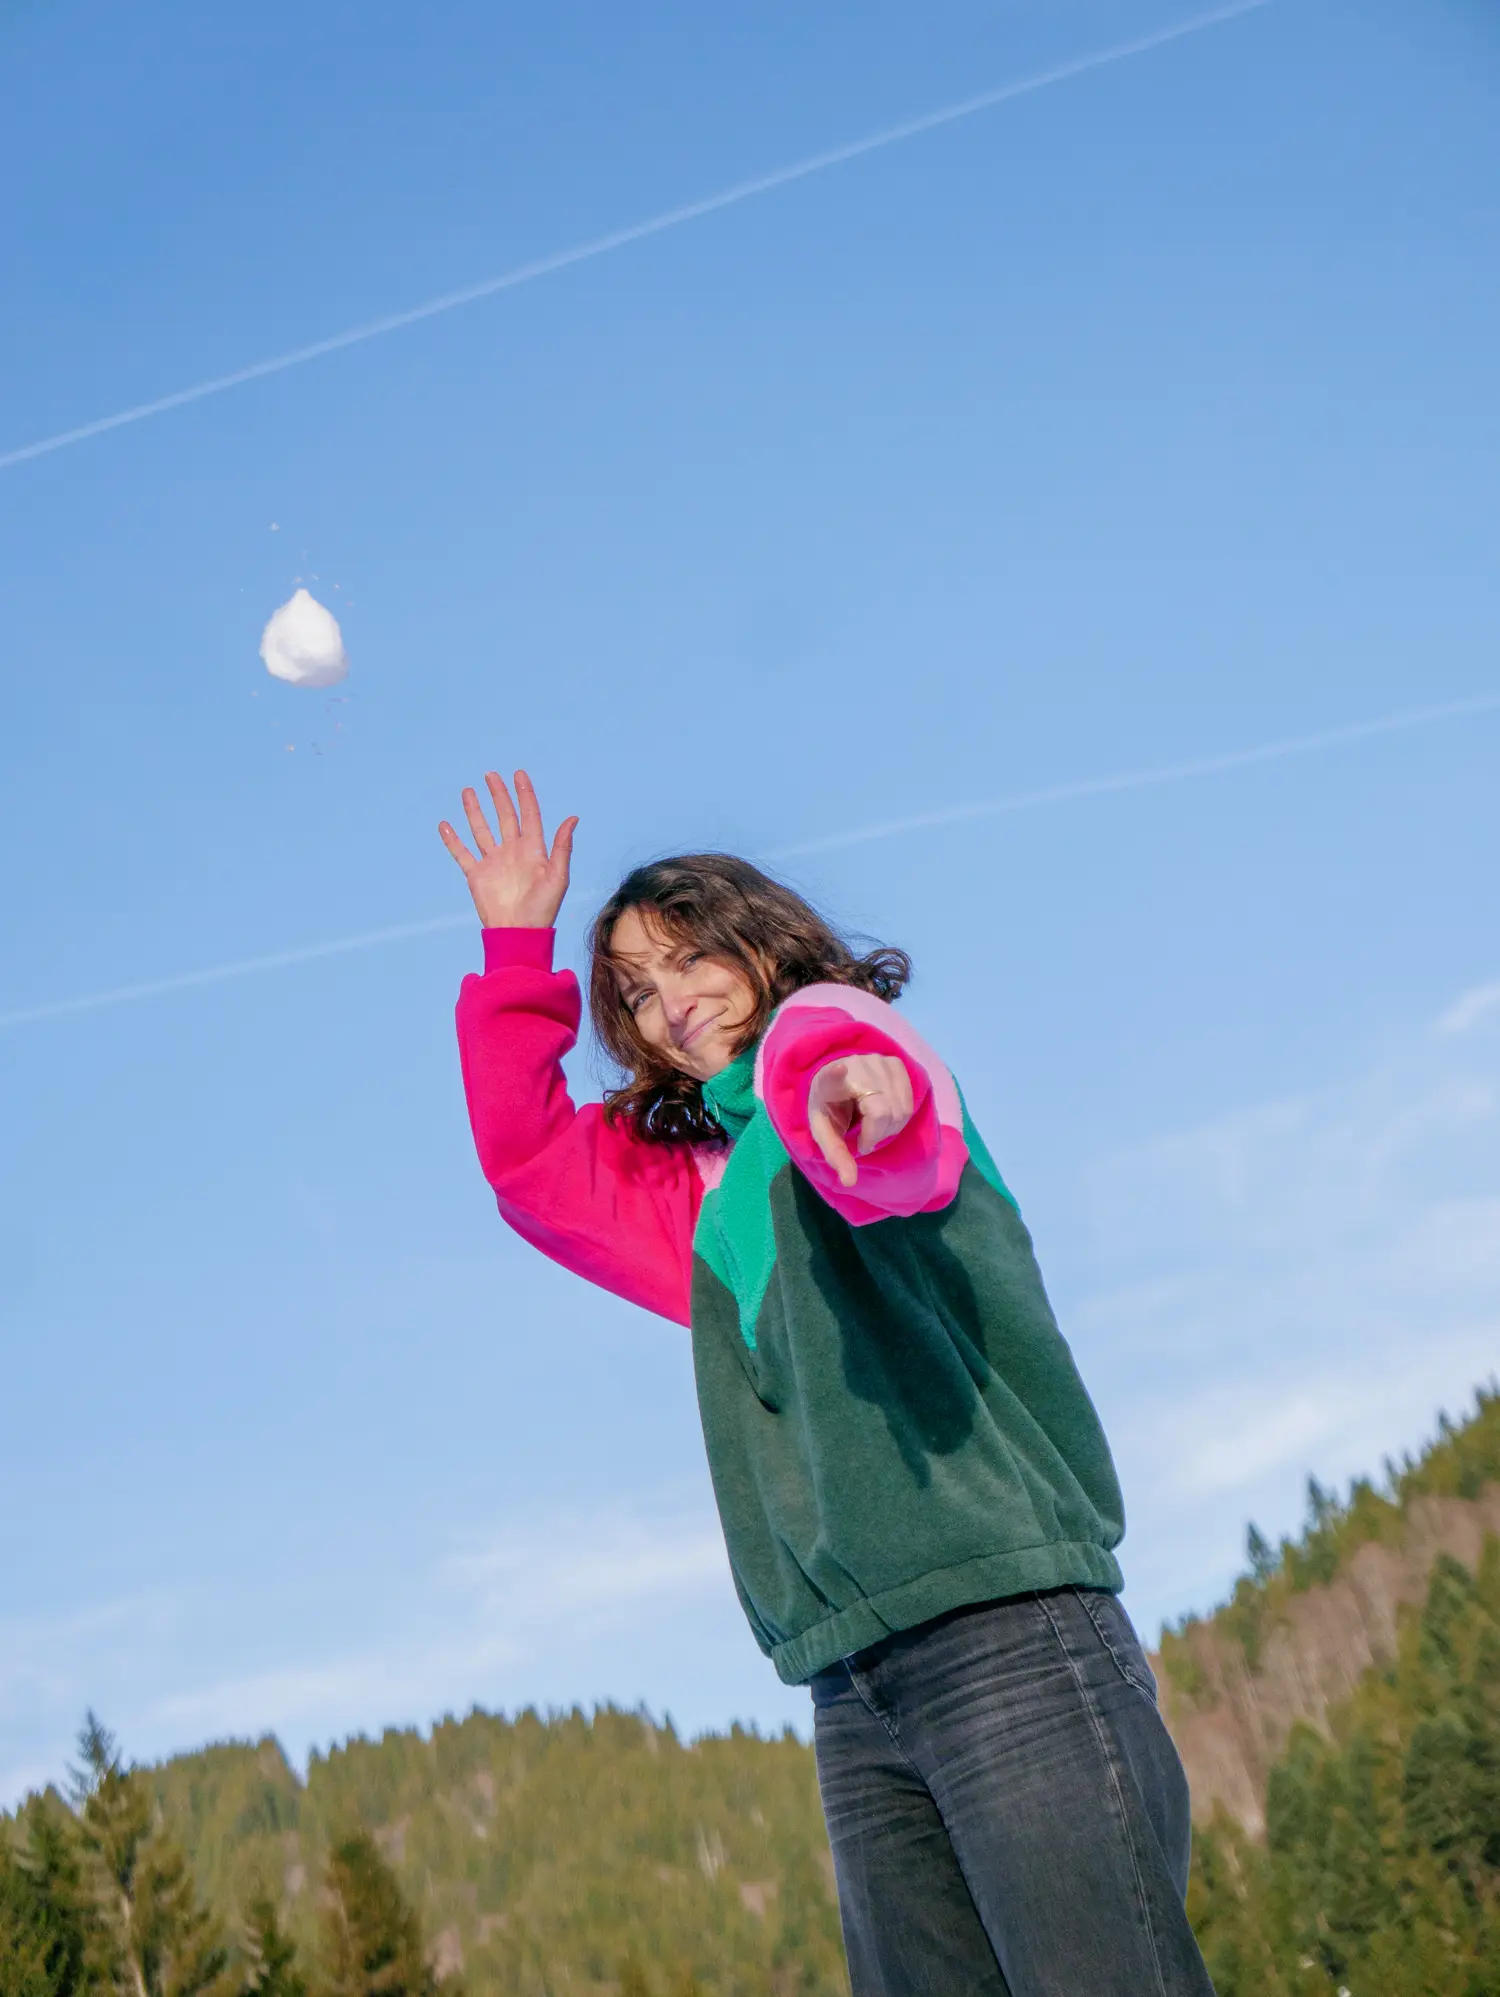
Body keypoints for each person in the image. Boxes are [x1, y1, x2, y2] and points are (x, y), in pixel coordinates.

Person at [439, 769, 1216, 1997]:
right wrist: (514, 943)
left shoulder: (843, 1062)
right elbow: (533, 1163)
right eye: (636, 992)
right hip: (853, 1686)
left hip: (1007, 1634)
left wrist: (867, 1091)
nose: (668, 1004)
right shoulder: (707, 1194)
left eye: (691, 958)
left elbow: (847, 1058)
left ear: (760, 942)